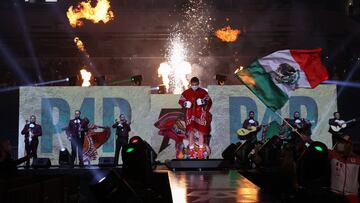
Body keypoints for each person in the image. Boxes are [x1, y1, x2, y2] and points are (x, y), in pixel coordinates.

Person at [178, 77, 212, 159]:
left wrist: (203, 102)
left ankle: (200, 150)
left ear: (198, 84)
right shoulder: (186, 93)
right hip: (190, 115)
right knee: (190, 132)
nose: (194, 86)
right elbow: (181, 101)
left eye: (196, 84)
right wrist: (185, 103)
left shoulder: (203, 92)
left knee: (201, 132)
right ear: (190, 84)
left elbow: (209, 101)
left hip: (200, 115)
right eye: (193, 84)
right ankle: (191, 150)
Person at [329, 135, 360, 203]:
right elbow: (319, 147)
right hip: (335, 195)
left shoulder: (357, 159)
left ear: (349, 145)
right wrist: (308, 140)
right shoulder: (333, 155)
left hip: (352, 196)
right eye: (339, 142)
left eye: (343, 142)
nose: (339, 144)